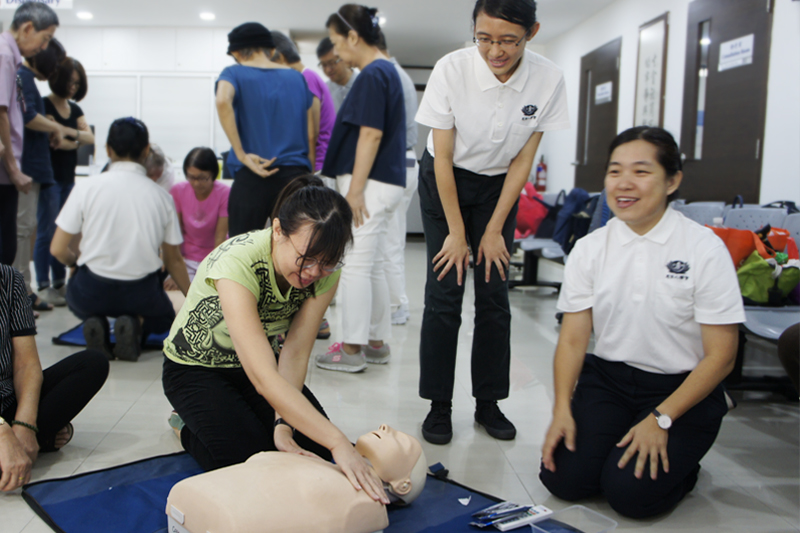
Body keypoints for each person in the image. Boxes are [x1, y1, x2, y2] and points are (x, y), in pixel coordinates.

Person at [539, 127, 745, 519]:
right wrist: (562, 410)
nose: (624, 184)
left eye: (641, 171)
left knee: (631, 498)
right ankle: (618, 443)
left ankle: (686, 467)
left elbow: (721, 357)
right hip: (610, 381)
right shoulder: (590, 248)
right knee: (563, 480)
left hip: (683, 391)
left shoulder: (702, 248)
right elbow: (572, 341)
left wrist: (661, 418)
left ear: (672, 181)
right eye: (615, 171)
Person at [161, 175, 387, 506]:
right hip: (195, 370)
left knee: (316, 452)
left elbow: (295, 353)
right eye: (305, 258)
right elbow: (264, 379)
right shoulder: (238, 262)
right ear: (278, 230)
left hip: (259, 366)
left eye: (326, 263)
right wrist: (338, 440)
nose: (313, 271)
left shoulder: (325, 269)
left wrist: (284, 425)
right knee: (253, 464)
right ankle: (184, 425)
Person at [415, 0, 569, 444]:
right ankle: (439, 406)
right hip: (444, 181)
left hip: (499, 187)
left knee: (494, 294)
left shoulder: (548, 78)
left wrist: (494, 230)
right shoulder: (452, 69)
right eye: (485, 38)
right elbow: (442, 157)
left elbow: (524, 159)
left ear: (531, 32)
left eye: (508, 40)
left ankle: (488, 402)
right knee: (445, 291)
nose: (495, 50)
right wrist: (458, 234)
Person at [50, 117, 190, 362]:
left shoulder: (86, 187)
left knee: (79, 297)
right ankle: (136, 323)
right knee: (163, 318)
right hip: (141, 293)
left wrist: (75, 265)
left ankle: (97, 321)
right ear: (146, 151)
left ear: (107, 149)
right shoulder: (161, 197)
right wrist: (193, 298)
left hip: (91, 291)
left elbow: (57, 249)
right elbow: (173, 260)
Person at [314, 4, 406, 373]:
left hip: (369, 183)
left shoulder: (372, 74)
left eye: (338, 42)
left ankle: (350, 349)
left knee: (355, 265)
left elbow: (370, 133)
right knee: (374, 264)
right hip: (385, 181)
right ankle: (375, 342)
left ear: (354, 37)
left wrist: (354, 191)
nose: (336, 52)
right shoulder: (387, 71)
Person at [165, 425, 426, 533]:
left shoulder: (368, 506)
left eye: (400, 439)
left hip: (226, 514)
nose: (386, 427)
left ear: (403, 484)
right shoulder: (331, 466)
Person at [0, 264, 108, 492]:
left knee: (92, 364)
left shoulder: (9, 279)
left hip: (8, 403)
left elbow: (26, 364)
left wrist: (24, 424)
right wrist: (2, 432)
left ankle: (24, 443)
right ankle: (39, 440)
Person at [216, 22, 314, 237]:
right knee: (295, 248)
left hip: (252, 174)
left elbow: (223, 100)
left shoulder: (233, 73)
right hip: (294, 177)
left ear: (235, 52)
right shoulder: (297, 78)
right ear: (271, 49)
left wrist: (240, 154)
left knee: (242, 249)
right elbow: (310, 133)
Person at [13, 39, 69, 314]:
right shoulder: (22, 76)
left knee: (26, 229)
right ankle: (21, 294)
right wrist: (55, 128)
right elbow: (28, 116)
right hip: (27, 167)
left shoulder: (27, 79)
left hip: (33, 166)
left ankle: (25, 291)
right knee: (23, 231)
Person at [0, 2, 58, 267]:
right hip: (4, 171)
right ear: (27, 28)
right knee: (7, 245)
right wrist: (13, 168)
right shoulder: (4, 55)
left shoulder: (11, 58)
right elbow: (1, 112)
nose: (44, 48)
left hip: (8, 170)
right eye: (45, 39)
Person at [36, 57, 93, 308]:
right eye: (70, 82)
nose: (73, 87)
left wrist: (64, 131)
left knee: (68, 234)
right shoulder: (43, 104)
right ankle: (44, 285)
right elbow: (53, 142)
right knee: (47, 233)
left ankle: (60, 283)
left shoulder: (75, 110)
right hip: (49, 179)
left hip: (68, 179)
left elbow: (89, 138)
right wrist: (72, 139)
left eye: (77, 83)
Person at [376, 31, 419, 326]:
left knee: (389, 240)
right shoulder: (396, 73)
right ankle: (394, 303)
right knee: (389, 239)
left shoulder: (387, 75)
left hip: (396, 164)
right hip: (402, 163)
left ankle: (397, 305)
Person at [271, 31, 336, 175]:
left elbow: (312, 132)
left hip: (319, 164)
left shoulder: (306, 78)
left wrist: (309, 173)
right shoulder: (303, 78)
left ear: (280, 58)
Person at [167, 147, 230, 283]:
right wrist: (175, 271)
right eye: (191, 177)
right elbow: (176, 232)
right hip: (186, 258)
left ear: (213, 174)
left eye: (202, 178)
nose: (196, 183)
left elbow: (220, 236)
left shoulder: (224, 193)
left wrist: (213, 268)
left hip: (213, 256)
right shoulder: (178, 191)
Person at [316, 36, 359, 113]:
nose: (328, 70)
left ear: (343, 57)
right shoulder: (324, 91)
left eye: (332, 63)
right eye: (324, 65)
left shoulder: (362, 84)